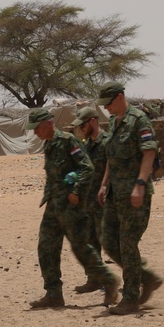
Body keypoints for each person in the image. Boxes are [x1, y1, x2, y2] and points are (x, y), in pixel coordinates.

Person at [25, 108, 119, 308]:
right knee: (46, 247)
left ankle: (109, 281)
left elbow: (87, 167)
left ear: (49, 124)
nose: (35, 133)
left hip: (71, 206)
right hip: (53, 205)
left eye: (37, 128)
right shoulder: (49, 145)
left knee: (81, 248)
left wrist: (76, 192)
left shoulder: (68, 140)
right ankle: (53, 293)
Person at [96, 82, 164, 315]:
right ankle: (147, 278)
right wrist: (104, 184)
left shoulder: (139, 120)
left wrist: (140, 185)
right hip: (116, 193)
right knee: (108, 241)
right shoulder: (115, 122)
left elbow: (149, 152)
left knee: (127, 245)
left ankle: (131, 298)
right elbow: (111, 157)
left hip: (135, 195)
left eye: (108, 103)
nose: (105, 108)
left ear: (119, 97)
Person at [72, 106, 110, 293]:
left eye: (83, 125)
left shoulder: (107, 142)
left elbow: (114, 169)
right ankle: (94, 279)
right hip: (89, 202)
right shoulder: (87, 145)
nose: (81, 128)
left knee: (111, 242)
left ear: (93, 121)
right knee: (91, 241)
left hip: (106, 201)